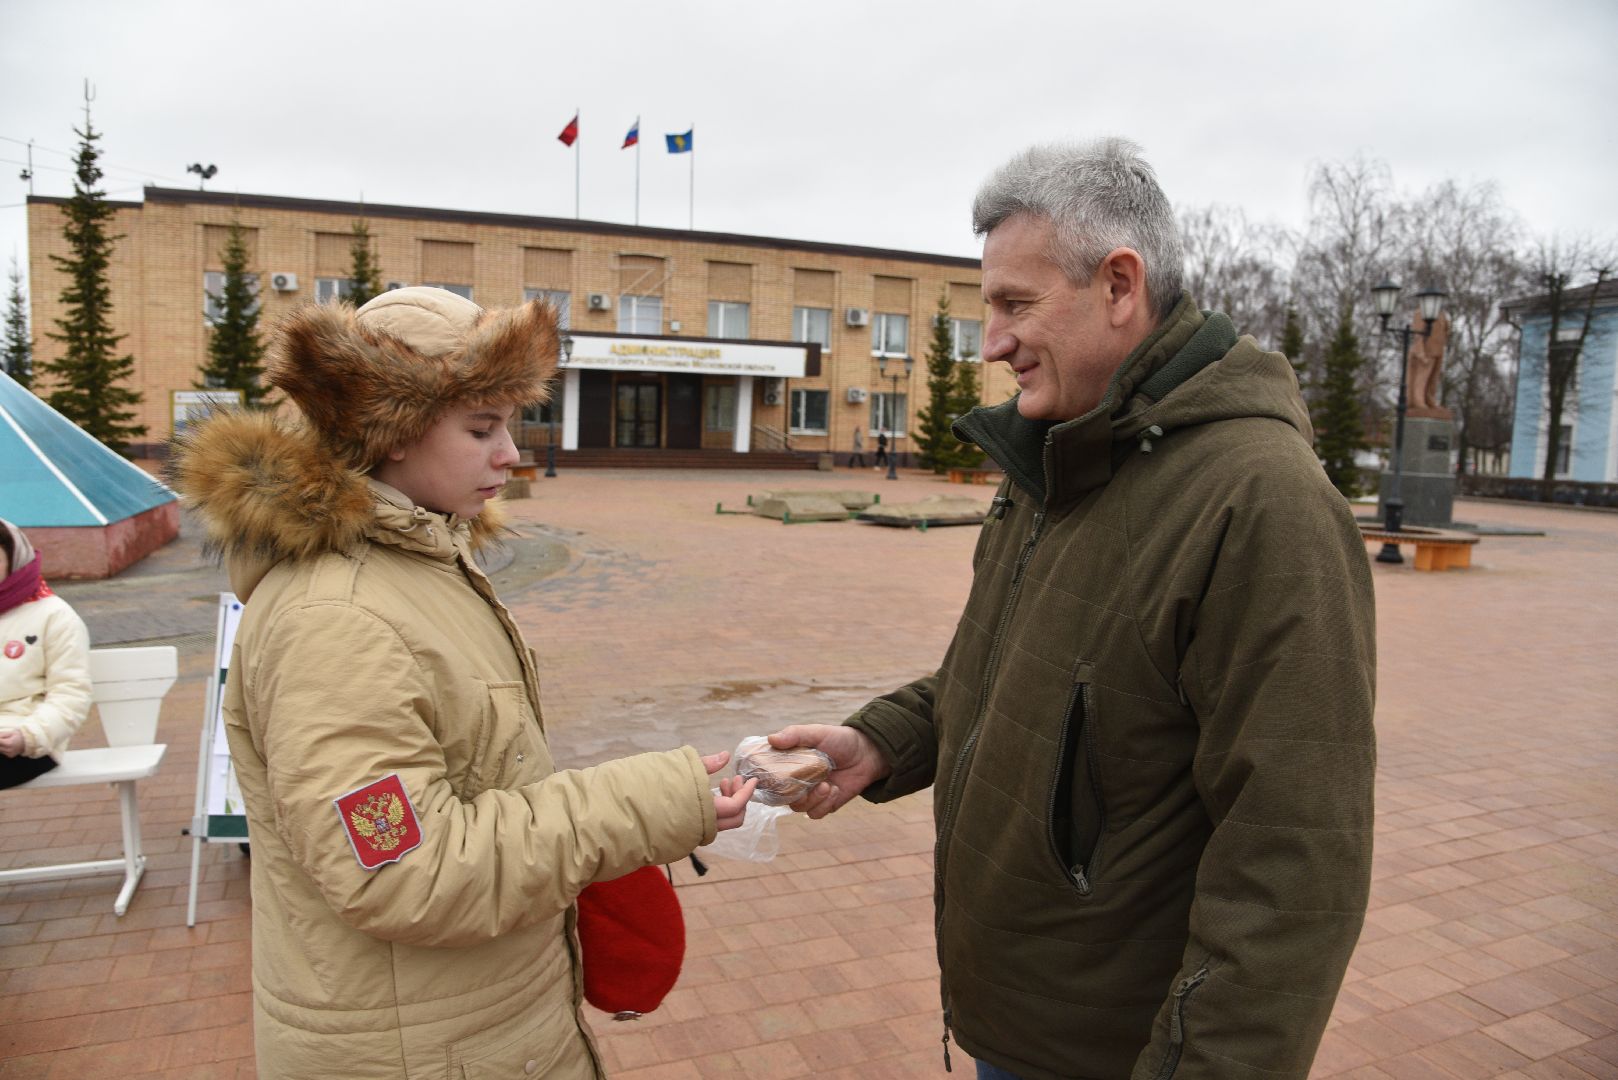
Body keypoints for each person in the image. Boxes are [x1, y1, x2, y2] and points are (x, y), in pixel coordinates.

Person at [770, 139, 1376, 1080]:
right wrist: (887, 741)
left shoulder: (1262, 503)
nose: (995, 341)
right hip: (1018, 1023)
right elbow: (1012, 669)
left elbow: (1293, 863)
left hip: (1120, 1050)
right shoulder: (1056, 458)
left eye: (1017, 304)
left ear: (1120, 286)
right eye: (990, 308)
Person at [173, 287, 756, 1079]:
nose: (510, 454)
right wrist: (647, 805)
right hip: (418, 1049)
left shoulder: (417, 565)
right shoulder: (339, 621)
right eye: (481, 428)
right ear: (390, 432)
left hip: (472, 1025)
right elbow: (402, 868)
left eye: (509, 424)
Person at [0, 519, 93, 789]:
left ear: (14, 557)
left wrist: (28, 736)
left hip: (26, 743)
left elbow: (71, 692)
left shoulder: (54, 616)